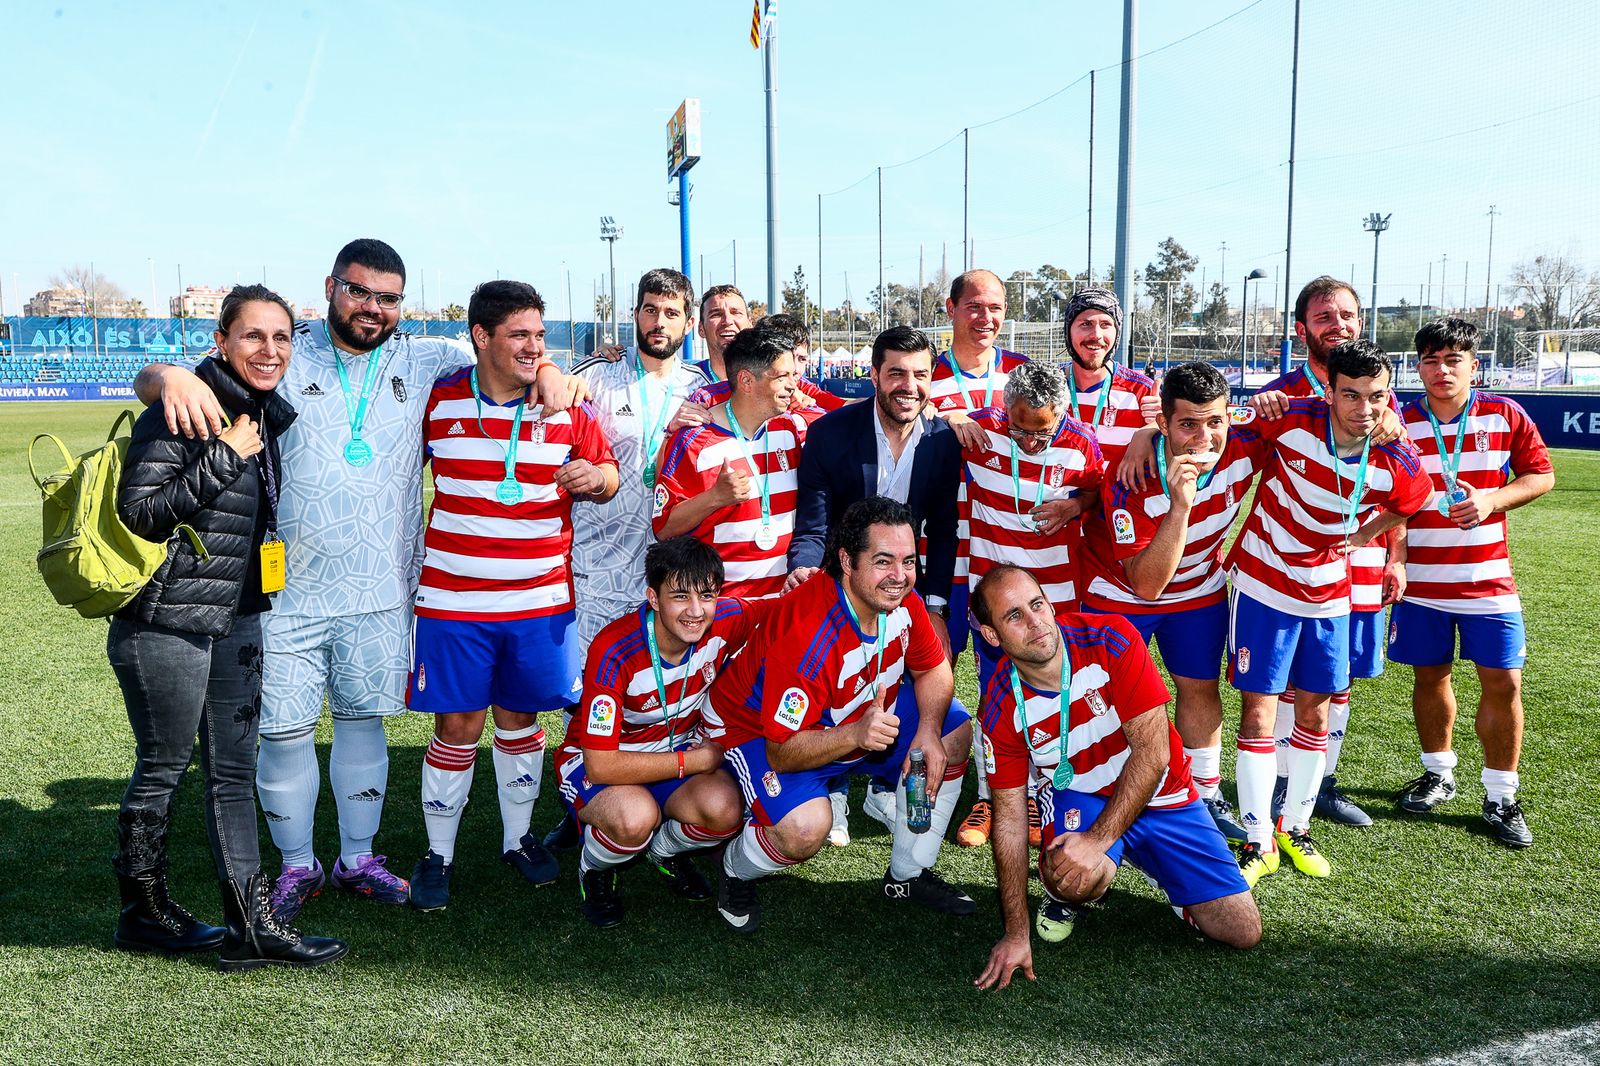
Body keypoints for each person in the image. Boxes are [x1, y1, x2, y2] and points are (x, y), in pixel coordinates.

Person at [135, 238, 585, 921]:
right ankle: (296, 865)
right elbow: (172, 380)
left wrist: (548, 368)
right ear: (330, 288)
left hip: (382, 590)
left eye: (388, 298)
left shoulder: (428, 358)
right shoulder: (284, 350)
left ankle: (358, 858)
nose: (372, 308)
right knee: (283, 731)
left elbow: (507, 352)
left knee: (362, 722)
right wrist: (165, 377)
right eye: (358, 291)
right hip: (285, 590)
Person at [110, 284, 345, 970]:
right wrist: (225, 456)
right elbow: (139, 514)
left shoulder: (261, 413)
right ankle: (143, 912)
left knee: (233, 774)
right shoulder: (185, 409)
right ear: (222, 342)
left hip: (237, 617)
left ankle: (251, 926)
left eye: (281, 338)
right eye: (253, 336)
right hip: (167, 621)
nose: (270, 350)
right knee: (163, 767)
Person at [406, 281, 619, 911]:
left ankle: (517, 838)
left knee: (521, 720)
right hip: (454, 604)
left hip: (539, 604)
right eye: (519, 335)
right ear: (481, 337)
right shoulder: (439, 398)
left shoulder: (568, 405)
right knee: (457, 725)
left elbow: (608, 475)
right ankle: (438, 854)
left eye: (540, 335)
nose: (534, 347)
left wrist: (595, 477)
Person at [970, 567, 1259, 988]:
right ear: (991, 635)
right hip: (1081, 795)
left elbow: (1153, 754)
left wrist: (1097, 841)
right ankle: (1072, 890)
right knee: (1072, 880)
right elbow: (1011, 821)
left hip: (1162, 791)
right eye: (1014, 616)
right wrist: (1016, 933)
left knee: (1242, 931)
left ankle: (1154, 865)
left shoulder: (1111, 638)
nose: (1035, 622)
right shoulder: (1000, 706)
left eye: (1037, 605)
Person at [708, 497, 975, 931]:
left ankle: (907, 875)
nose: (900, 576)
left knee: (953, 732)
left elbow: (932, 669)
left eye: (908, 561)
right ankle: (734, 868)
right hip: (757, 729)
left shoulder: (901, 599)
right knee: (804, 829)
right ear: (847, 561)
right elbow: (782, 751)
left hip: (853, 714)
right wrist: (854, 735)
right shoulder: (809, 632)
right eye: (883, 561)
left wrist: (927, 730)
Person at [1228, 341, 1431, 885]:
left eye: (1376, 396)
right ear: (1329, 392)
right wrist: (1147, 435)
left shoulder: (1397, 457)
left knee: (1316, 715)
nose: (1364, 408)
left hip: (1329, 595)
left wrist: (1365, 535)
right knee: (1259, 715)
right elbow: (1210, 429)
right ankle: (1257, 839)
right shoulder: (1290, 418)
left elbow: (1411, 501)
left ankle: (1295, 829)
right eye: (1351, 395)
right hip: (1264, 584)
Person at [785, 325, 962, 845]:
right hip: (839, 582)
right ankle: (834, 785)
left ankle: (884, 785)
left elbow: (944, 529)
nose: (909, 385)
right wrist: (804, 572)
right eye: (897, 373)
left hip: (904, 585)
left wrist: (936, 608)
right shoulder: (831, 433)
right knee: (833, 684)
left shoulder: (942, 440)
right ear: (875, 375)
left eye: (920, 374)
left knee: (906, 685)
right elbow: (813, 524)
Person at [1081, 361, 1269, 846]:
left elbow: (1329, 414)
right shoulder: (1130, 476)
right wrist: (1180, 504)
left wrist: (1388, 422)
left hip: (1199, 592)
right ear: (1163, 423)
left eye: (1215, 422)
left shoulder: (1244, 444)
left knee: (1200, 687)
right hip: (1120, 596)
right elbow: (1146, 584)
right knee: (1105, 698)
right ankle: (1102, 786)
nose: (1204, 438)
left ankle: (1203, 793)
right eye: (1188, 424)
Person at [1391, 318, 1554, 847]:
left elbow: (1541, 475)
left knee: (1504, 682)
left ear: (1473, 365)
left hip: (1489, 582)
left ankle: (1502, 795)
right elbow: (1389, 498)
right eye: (1431, 361)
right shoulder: (1397, 421)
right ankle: (1438, 774)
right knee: (1430, 678)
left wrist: (1491, 500)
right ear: (1418, 367)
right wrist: (1396, 558)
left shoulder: (1505, 414)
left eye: (1453, 360)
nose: (1441, 370)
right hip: (1420, 583)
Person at [1251, 276, 1403, 828]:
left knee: (1336, 679)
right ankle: (1279, 785)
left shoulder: (1383, 396)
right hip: (1289, 565)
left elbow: (1401, 489)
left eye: (1346, 315)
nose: (1337, 325)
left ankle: (1322, 784)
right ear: (1301, 330)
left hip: (1358, 560)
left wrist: (1396, 556)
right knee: (1285, 678)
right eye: (1323, 317)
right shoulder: (1281, 394)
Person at [555, 537, 766, 927]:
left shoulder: (728, 619)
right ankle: (594, 868)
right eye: (680, 596)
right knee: (634, 819)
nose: (696, 611)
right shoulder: (614, 650)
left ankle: (665, 851)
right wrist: (694, 761)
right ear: (653, 598)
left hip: (674, 753)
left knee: (725, 810)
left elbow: (784, 611)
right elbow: (601, 765)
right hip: (602, 763)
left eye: (707, 595)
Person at [924, 269, 1030, 848]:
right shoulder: (925, 373)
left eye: (995, 307)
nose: (985, 318)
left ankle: (998, 795)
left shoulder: (1024, 374)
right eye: (974, 306)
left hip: (1004, 552)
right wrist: (943, 419)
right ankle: (894, 780)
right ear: (951, 308)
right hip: (937, 550)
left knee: (1005, 678)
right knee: (926, 669)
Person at [571, 269, 710, 652]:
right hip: (596, 571)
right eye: (650, 310)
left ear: (689, 323)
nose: (658, 322)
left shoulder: (702, 391)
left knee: (659, 681)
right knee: (587, 682)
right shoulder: (595, 375)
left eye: (671, 313)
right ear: (635, 315)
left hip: (671, 578)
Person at [962, 360, 1104, 705]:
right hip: (992, 594)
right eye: (1019, 430)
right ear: (1006, 409)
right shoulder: (981, 430)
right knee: (993, 691)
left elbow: (1096, 490)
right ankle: (991, 741)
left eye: (1042, 434)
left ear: (1061, 413)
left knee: (1055, 688)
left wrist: (1074, 506)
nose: (1029, 444)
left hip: (1056, 594)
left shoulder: (1081, 442)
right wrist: (951, 417)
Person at [652, 328, 808, 598]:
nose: (793, 386)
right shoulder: (694, 440)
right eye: (782, 377)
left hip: (782, 604)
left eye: (793, 375)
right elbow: (663, 528)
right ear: (746, 381)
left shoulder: (789, 428)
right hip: (724, 608)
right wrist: (715, 497)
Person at [1056, 287, 1157, 472]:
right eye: (1086, 324)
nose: (1096, 335)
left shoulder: (1143, 392)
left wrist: (1161, 424)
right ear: (1068, 331)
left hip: (1118, 492)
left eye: (1105, 324)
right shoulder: (1048, 387)